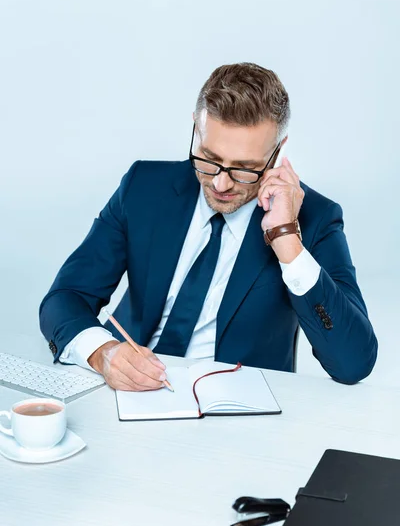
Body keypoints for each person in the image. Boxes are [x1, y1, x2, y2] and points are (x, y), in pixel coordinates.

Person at [39, 62, 377, 391]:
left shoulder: (315, 217)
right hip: (124, 392)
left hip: (235, 412)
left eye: (245, 168)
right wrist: (103, 352)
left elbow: (353, 362)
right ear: (195, 128)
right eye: (208, 158)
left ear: (278, 152)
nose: (220, 183)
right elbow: (66, 297)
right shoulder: (143, 187)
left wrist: (286, 238)